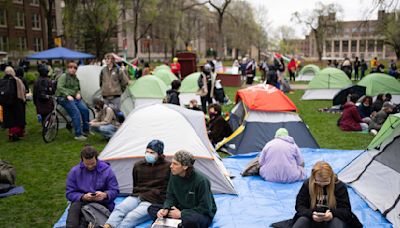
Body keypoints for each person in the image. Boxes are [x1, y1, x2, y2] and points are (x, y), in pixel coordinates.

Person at [103, 140, 171, 228]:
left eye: (152, 152)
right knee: (120, 208)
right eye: (147, 152)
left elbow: (168, 189)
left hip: (153, 200)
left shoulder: (168, 167)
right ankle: (107, 226)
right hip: (137, 195)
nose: (148, 154)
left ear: (159, 154)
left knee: (131, 217)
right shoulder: (139, 165)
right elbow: (136, 184)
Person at [148, 150, 217, 228]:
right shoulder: (174, 174)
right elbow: (170, 196)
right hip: (180, 208)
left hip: (198, 213)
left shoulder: (201, 181)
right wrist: (166, 208)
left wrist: (181, 214)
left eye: (175, 164)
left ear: (185, 166)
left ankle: (176, 222)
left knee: (191, 221)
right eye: (172, 163)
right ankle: (176, 223)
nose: (171, 166)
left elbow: (205, 208)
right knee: (152, 209)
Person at [292, 161, 362, 228]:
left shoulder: (339, 186)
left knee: (337, 224)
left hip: (333, 219)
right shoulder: (307, 184)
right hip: (312, 218)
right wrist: (311, 214)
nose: (322, 185)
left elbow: (346, 211)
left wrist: (332, 214)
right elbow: (299, 206)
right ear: (313, 177)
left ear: (331, 177)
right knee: (302, 221)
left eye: (325, 182)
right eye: (318, 182)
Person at [66, 145, 119, 228]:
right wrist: (83, 196)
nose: (90, 166)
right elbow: (69, 193)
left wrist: (105, 195)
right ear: (82, 159)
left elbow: (115, 190)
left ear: (96, 159)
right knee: (73, 217)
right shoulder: (74, 171)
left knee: (86, 221)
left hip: (102, 203)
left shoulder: (107, 170)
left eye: (93, 164)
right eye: (87, 164)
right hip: (80, 202)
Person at [56, 61, 90, 141]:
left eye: (75, 68)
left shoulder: (75, 78)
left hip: (74, 97)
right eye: (71, 68)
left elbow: (78, 88)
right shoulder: (63, 76)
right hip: (63, 98)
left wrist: (78, 93)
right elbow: (60, 87)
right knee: (76, 112)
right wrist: (67, 95)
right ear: (68, 68)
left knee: (85, 110)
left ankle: (86, 130)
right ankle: (78, 134)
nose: (73, 69)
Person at [1, 66, 26, 141]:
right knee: (17, 119)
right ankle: (15, 135)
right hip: (16, 102)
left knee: (9, 119)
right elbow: (22, 91)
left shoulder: (2, 80)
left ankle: (11, 133)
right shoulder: (16, 80)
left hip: (5, 102)